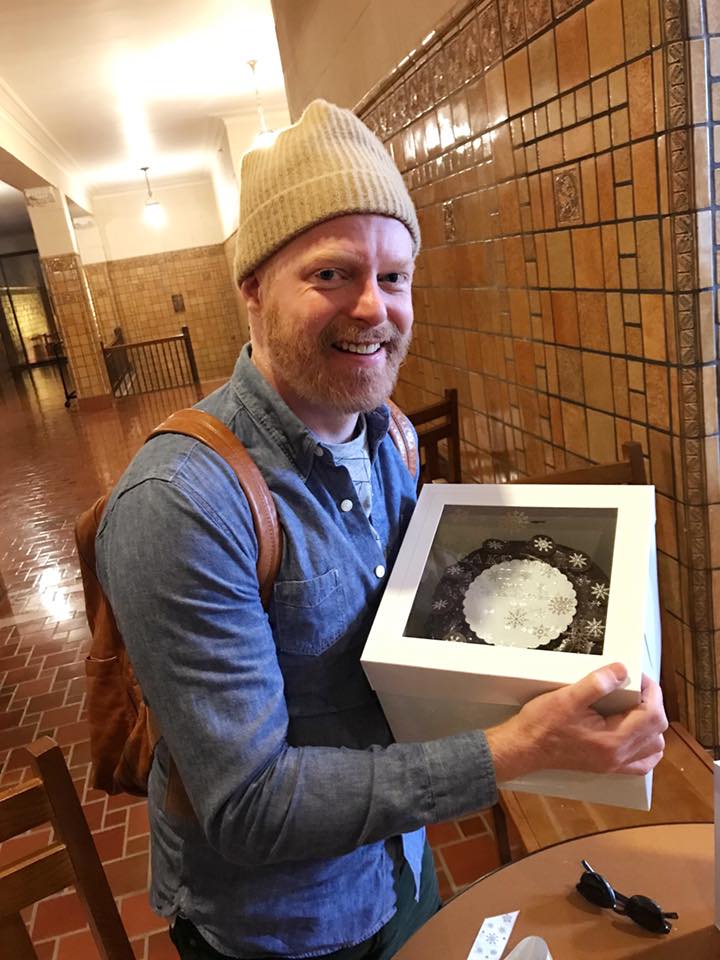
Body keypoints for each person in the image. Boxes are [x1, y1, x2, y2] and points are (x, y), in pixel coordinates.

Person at [96, 100, 667, 960]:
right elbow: (249, 806)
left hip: (400, 865)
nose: (374, 307)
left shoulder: (391, 436)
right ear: (251, 284)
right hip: (282, 927)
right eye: (331, 274)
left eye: (394, 277)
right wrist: (510, 750)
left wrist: (597, 686)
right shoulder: (184, 502)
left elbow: (411, 643)